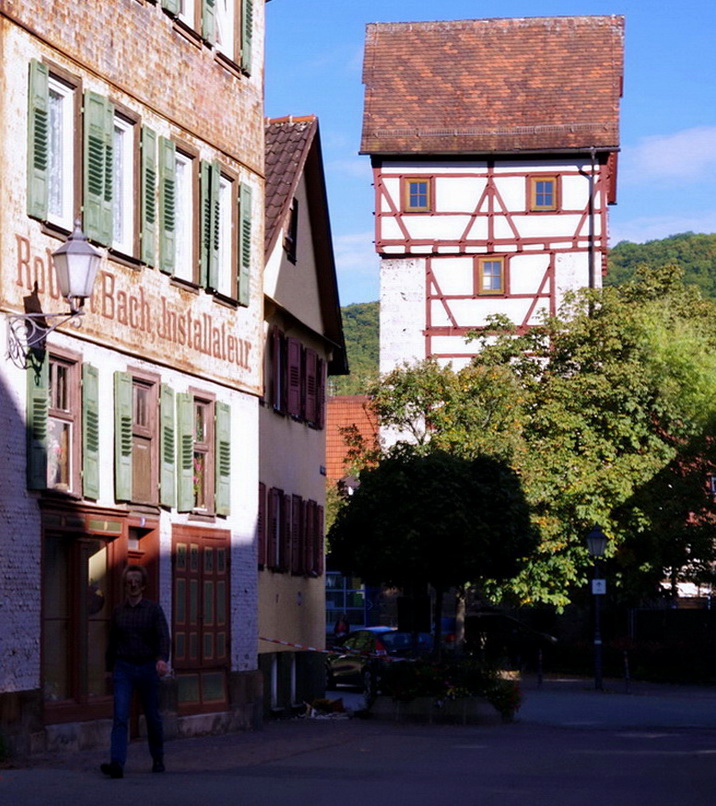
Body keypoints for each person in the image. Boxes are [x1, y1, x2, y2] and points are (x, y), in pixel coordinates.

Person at [100, 564, 170, 779]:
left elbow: (163, 637)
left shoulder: (153, 610)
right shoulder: (119, 612)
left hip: (148, 666)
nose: (133, 586)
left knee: (152, 716)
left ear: (143, 586)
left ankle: (157, 757)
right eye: (129, 583)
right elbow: (112, 641)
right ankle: (117, 763)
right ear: (125, 586)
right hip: (124, 667)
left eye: (137, 583)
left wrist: (161, 660)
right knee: (120, 715)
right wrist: (108, 668)